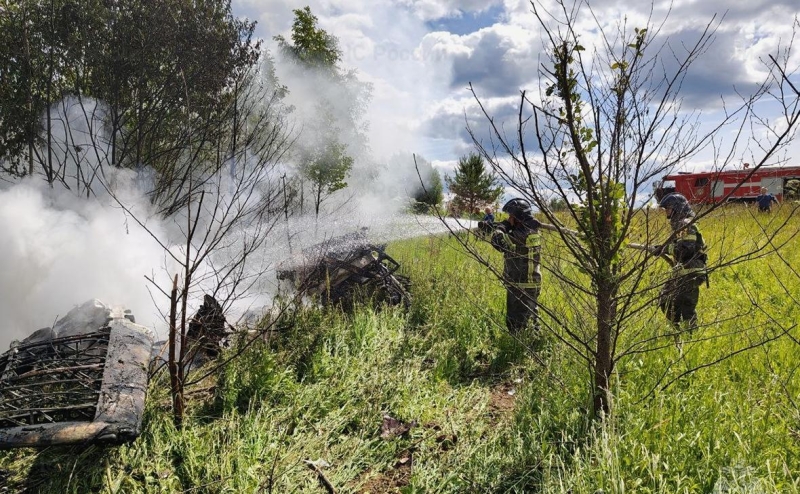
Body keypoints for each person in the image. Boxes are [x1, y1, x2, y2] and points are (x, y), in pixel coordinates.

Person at [652, 192, 708, 332]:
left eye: (668, 208)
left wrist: (665, 249)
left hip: (690, 272)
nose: (666, 212)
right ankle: (677, 329)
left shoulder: (685, 224)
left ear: (677, 208)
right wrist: (663, 248)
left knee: (686, 306)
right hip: (682, 271)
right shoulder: (679, 225)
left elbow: (686, 249)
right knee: (666, 299)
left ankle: (691, 335)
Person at [490, 198, 542, 333]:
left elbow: (498, 241)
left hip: (522, 284)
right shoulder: (530, 230)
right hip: (526, 283)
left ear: (518, 217)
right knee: (528, 319)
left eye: (511, 216)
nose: (509, 219)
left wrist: (503, 226)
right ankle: (531, 344)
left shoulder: (524, 234)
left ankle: (525, 348)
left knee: (520, 323)